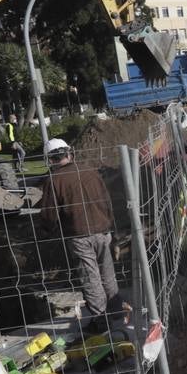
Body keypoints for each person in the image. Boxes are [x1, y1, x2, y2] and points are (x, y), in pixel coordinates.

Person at [38, 138, 120, 333]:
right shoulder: (90, 172)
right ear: (69, 153)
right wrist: (111, 227)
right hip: (103, 230)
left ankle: (101, 321)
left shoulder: (54, 180)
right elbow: (107, 200)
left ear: (50, 159)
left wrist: (47, 230)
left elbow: (50, 213)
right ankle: (116, 311)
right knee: (107, 273)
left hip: (79, 235)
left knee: (90, 278)